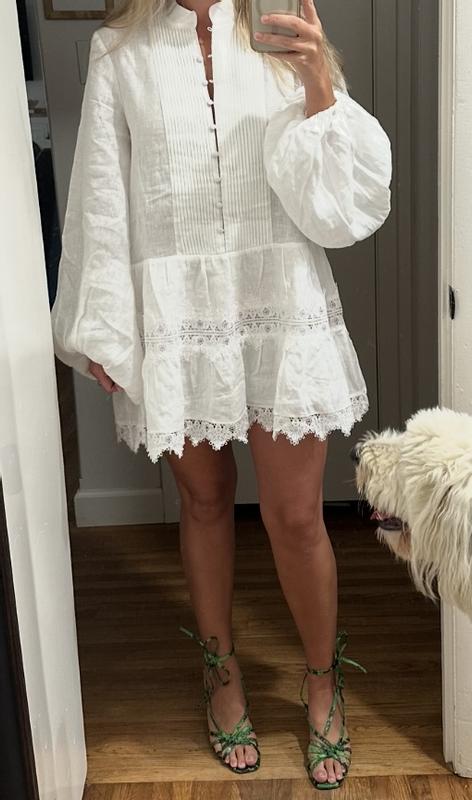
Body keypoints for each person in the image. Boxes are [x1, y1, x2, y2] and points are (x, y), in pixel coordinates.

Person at [50, 0, 392, 789]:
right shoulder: (119, 49)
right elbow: (101, 197)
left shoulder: (279, 28)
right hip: (180, 317)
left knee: (296, 515)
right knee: (204, 503)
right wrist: (105, 325)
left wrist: (318, 80)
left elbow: (337, 206)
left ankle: (321, 682)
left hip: (281, 297)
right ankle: (222, 672)